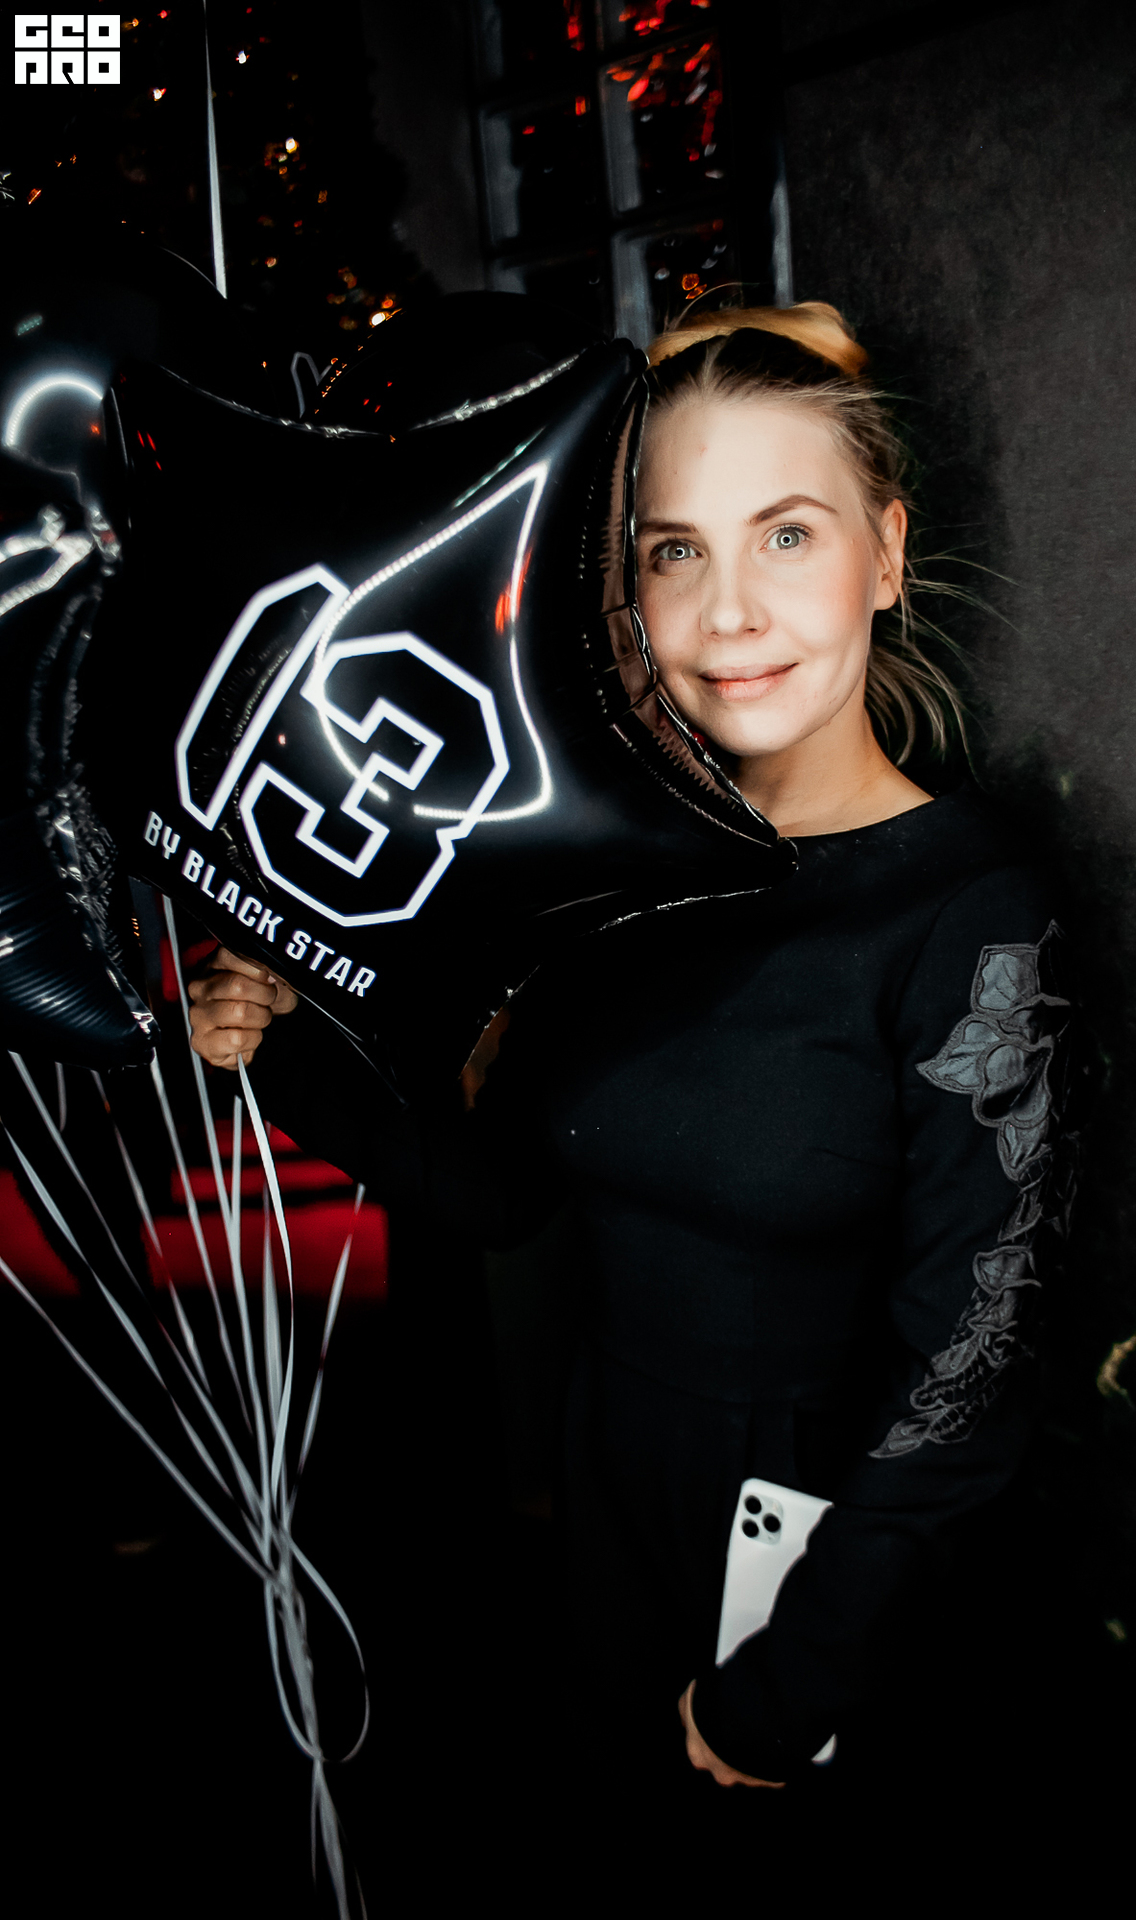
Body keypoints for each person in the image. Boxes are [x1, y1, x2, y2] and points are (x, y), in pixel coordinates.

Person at [187, 302, 1079, 1798]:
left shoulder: (973, 912)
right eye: (674, 551)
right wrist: (281, 1053)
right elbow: (504, 1190)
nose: (729, 613)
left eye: (786, 535)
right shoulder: (621, 879)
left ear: (887, 552)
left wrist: (792, 1687)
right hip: (605, 1525)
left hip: (830, 1595)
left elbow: (972, 1366)